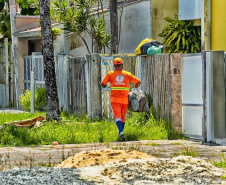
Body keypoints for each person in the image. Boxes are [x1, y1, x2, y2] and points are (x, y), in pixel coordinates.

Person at [101, 57, 141, 141]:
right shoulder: (127, 74)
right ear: (122, 65)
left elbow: (103, 84)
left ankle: (121, 133)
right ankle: (121, 134)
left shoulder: (110, 74)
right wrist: (134, 90)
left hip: (115, 100)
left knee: (118, 117)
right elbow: (138, 82)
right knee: (122, 117)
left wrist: (107, 84)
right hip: (125, 100)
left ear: (114, 66)